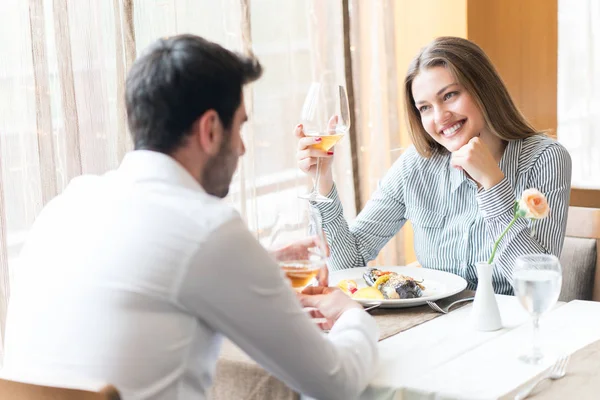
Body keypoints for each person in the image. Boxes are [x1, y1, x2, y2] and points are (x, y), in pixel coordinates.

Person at [2, 35, 378, 400]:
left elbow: (155, 279)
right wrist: (352, 314)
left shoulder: (67, 204)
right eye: (240, 126)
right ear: (210, 129)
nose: (243, 147)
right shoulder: (208, 229)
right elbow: (335, 383)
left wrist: (258, 265)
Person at [296, 36, 571, 295]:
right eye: (425, 107)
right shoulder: (417, 165)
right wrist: (323, 181)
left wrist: (493, 185)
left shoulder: (544, 159)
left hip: (512, 332)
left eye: (450, 95)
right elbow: (348, 265)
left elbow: (537, 287)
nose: (440, 117)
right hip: (436, 328)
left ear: (484, 89)